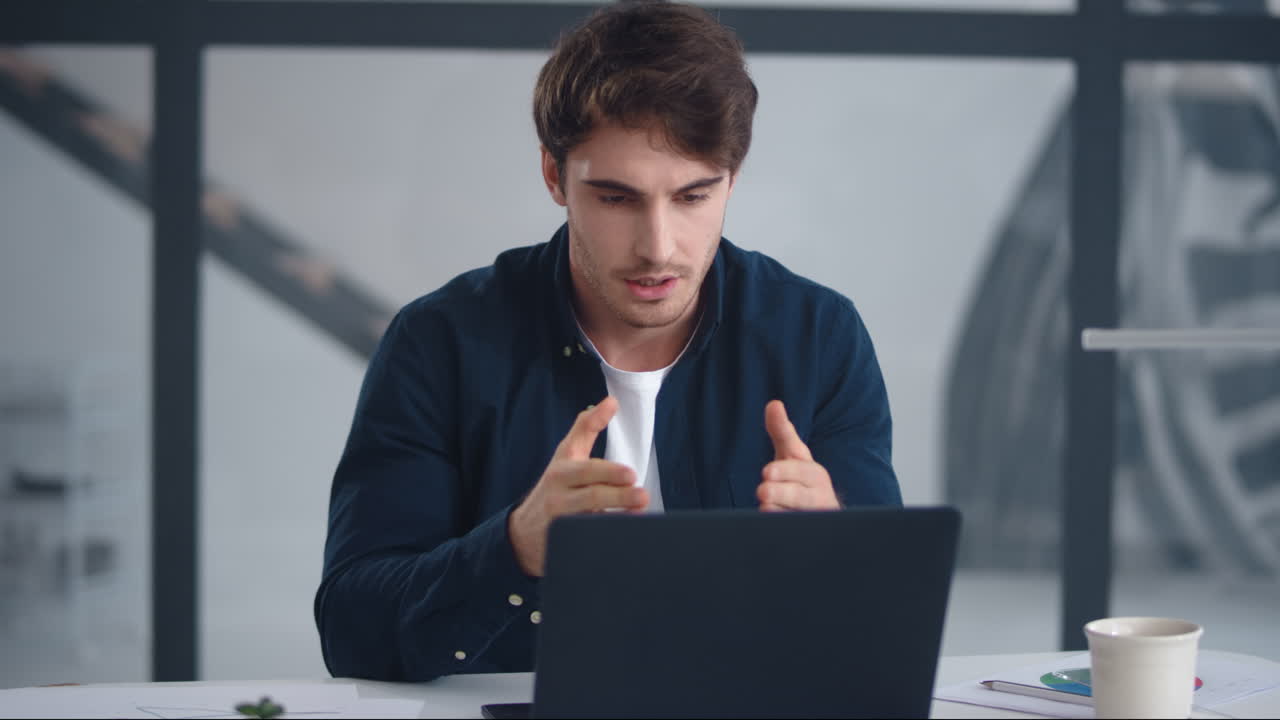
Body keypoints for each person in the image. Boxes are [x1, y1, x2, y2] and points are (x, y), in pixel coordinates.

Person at [315, 0, 901, 683]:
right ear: (553, 176)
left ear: (733, 180)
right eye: (617, 199)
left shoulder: (819, 338)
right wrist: (513, 550)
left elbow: (887, 637)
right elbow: (351, 630)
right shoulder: (438, 342)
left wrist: (836, 555)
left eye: (692, 197)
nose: (658, 248)